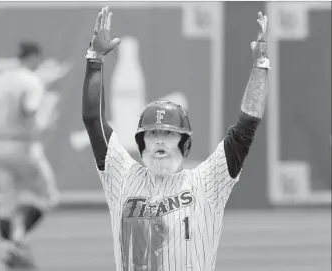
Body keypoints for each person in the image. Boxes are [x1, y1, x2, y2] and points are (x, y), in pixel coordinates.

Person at [82, 6, 269, 271]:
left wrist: (261, 64)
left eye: (169, 134)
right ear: (142, 142)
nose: (160, 140)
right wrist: (95, 58)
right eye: (153, 133)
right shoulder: (121, 174)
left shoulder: (207, 181)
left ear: (184, 143)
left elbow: (247, 125)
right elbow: (93, 120)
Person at [0, 41, 60, 269]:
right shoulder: (32, 81)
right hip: (25, 147)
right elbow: (29, 108)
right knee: (48, 197)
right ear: (33, 57)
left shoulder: (0, 79)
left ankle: (6, 249)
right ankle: (18, 239)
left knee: (7, 204)